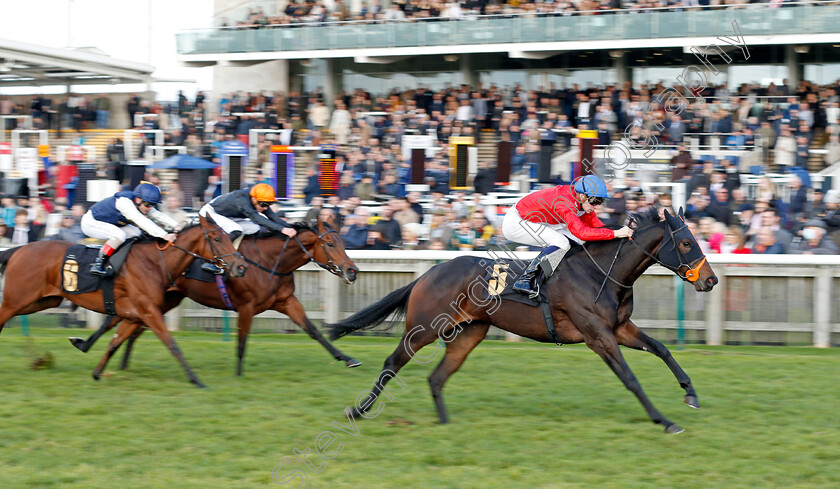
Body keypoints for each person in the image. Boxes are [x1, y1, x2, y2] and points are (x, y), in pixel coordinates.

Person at [501, 175, 634, 298]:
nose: (597, 206)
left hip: (543, 221)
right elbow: (581, 232)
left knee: (579, 242)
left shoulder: (581, 200)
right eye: (595, 201)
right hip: (517, 223)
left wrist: (619, 233)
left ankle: (562, 277)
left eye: (601, 201)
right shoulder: (565, 202)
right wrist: (615, 233)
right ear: (582, 196)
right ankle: (525, 280)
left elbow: (597, 226)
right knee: (562, 242)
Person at [81, 182, 181, 276]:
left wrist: (177, 226)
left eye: (153, 205)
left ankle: (124, 259)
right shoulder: (124, 203)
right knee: (119, 235)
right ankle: (98, 263)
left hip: (110, 223)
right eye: (148, 204)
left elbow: (158, 215)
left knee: (135, 232)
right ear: (138, 200)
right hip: (91, 223)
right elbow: (142, 221)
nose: (150, 208)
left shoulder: (141, 203)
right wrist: (165, 235)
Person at [199, 183, 297, 273]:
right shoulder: (242, 200)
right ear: (254, 199)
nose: (266, 208)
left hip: (230, 215)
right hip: (211, 212)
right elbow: (257, 218)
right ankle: (213, 261)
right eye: (263, 204)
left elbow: (273, 217)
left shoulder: (259, 199)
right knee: (236, 229)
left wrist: (291, 228)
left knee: (254, 229)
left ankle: (243, 253)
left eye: (269, 204)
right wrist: (282, 229)